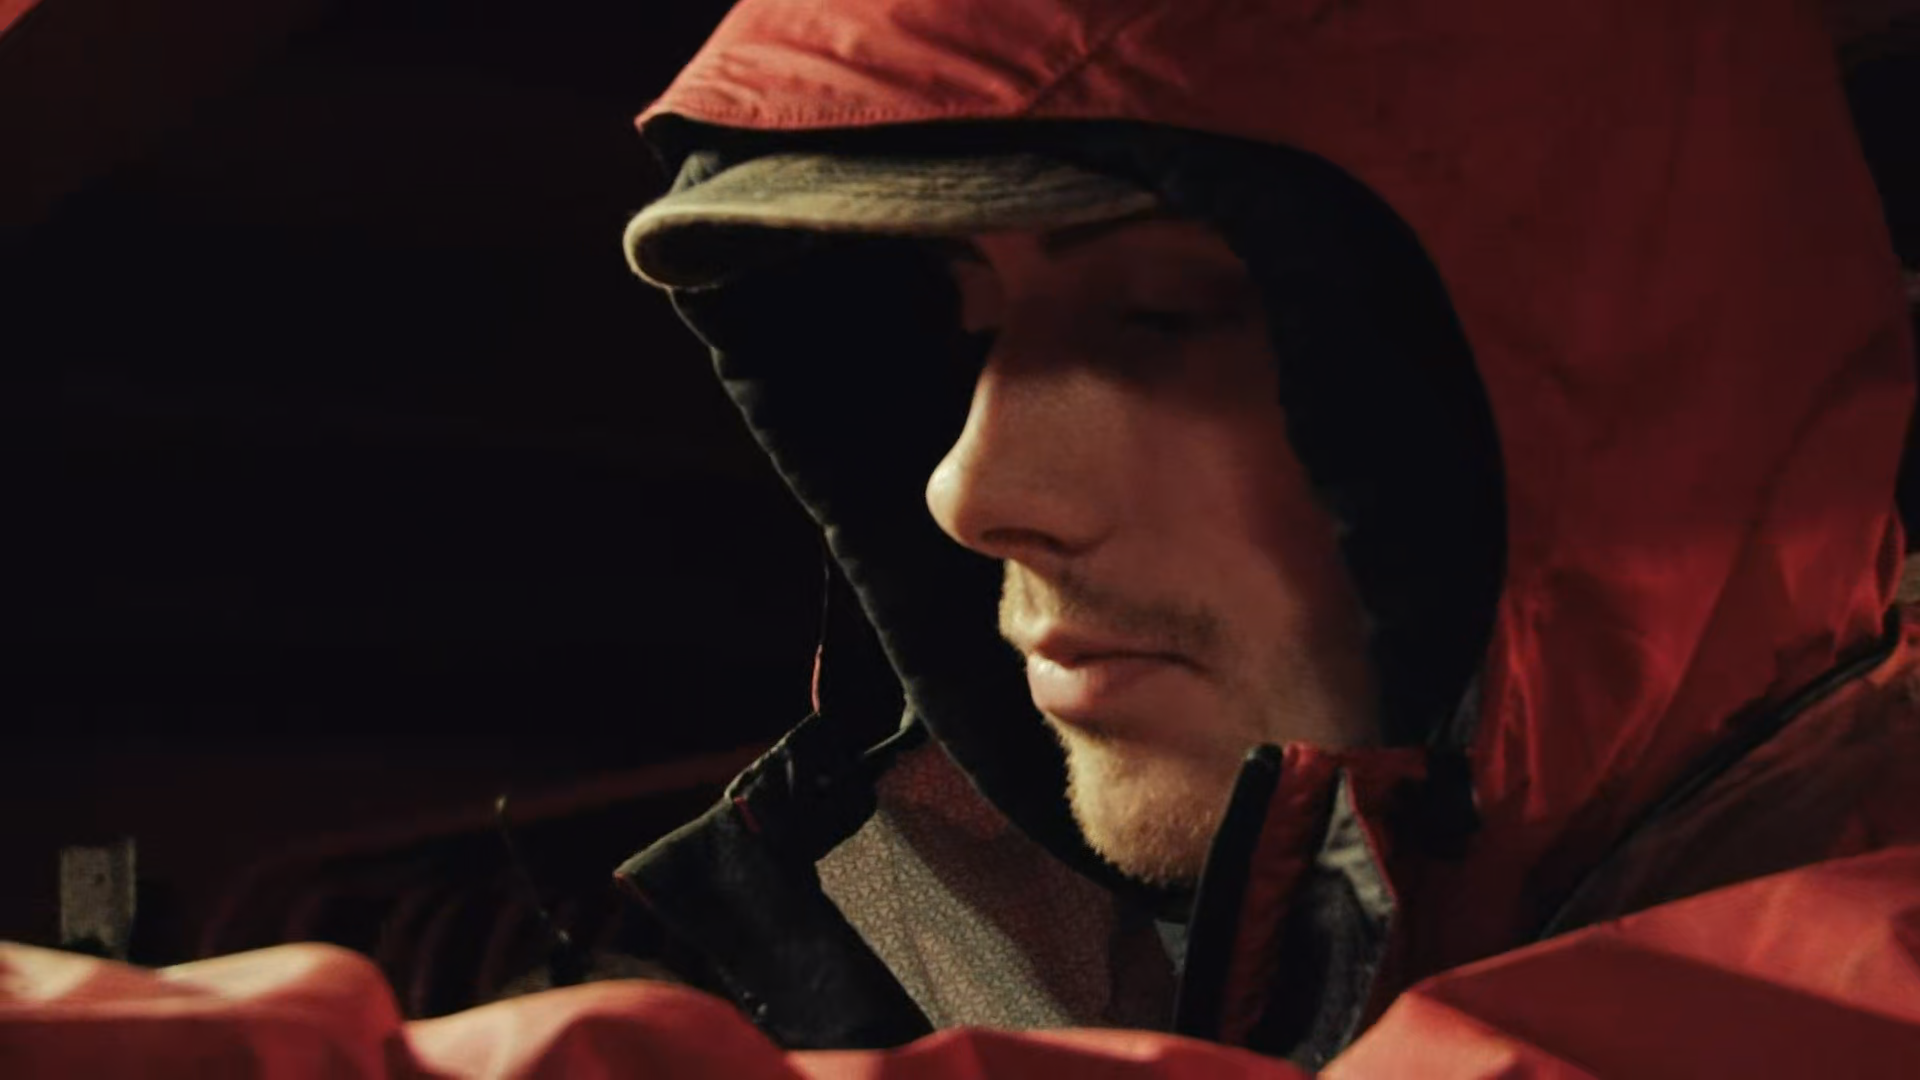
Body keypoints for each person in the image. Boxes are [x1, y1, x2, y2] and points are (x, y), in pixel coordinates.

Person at [6, 0, 1919, 1075]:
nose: (965, 490)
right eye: (971, 326)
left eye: (1161, 317)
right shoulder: (1012, 929)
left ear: (1607, 384)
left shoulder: (1855, 965)